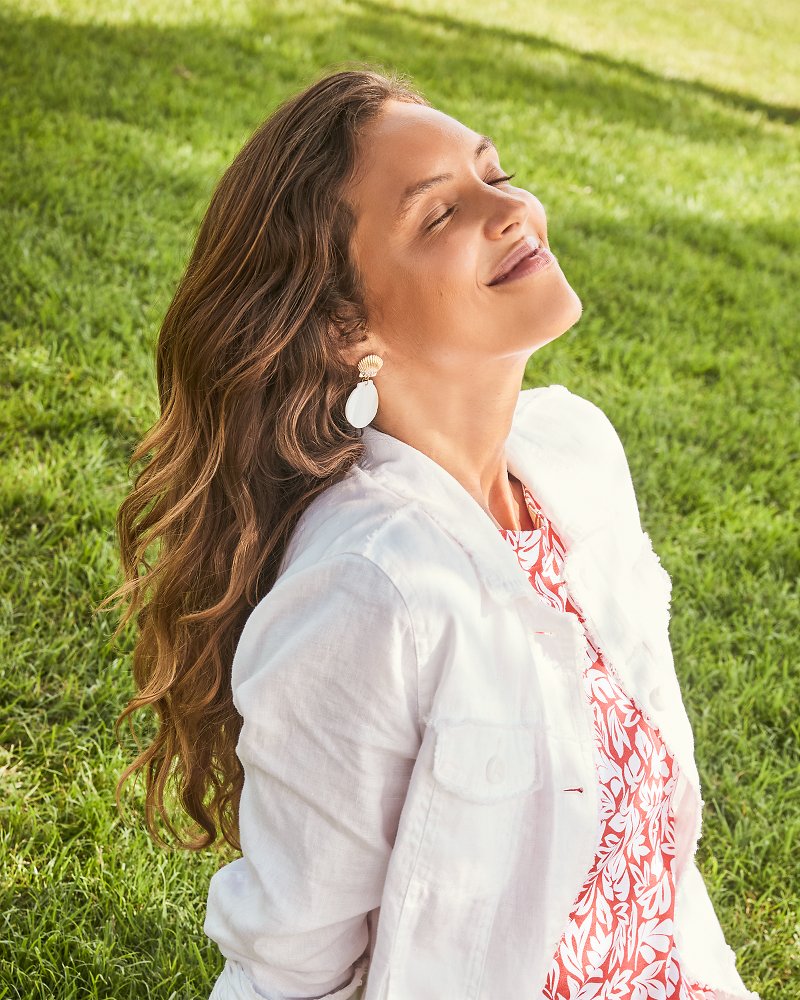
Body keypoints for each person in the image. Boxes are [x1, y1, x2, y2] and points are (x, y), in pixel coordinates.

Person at [101, 67, 760, 1000]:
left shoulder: (578, 459)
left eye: (494, 172)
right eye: (438, 214)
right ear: (341, 329)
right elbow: (291, 970)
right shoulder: (370, 586)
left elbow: (655, 873)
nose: (512, 209)